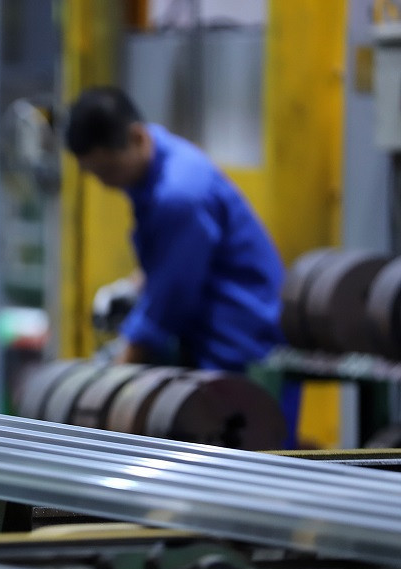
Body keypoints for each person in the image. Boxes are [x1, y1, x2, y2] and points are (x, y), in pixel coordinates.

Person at [65, 86, 285, 373]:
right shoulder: (152, 163)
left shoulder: (179, 194)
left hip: (241, 345)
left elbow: (171, 299)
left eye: (108, 170)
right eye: (95, 174)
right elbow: (173, 258)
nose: (105, 183)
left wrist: (118, 372)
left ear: (137, 137)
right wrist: (134, 286)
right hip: (212, 335)